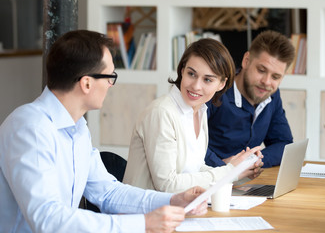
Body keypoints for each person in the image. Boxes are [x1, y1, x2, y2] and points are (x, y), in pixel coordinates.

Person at [0, 30, 208, 233]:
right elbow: (48, 219)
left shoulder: (78, 128)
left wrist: (174, 200)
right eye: (110, 77)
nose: (111, 85)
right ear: (87, 83)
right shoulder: (30, 129)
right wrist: (143, 224)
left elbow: (108, 192)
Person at [123, 38, 263, 194]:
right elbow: (167, 184)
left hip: (181, 207)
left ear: (222, 84)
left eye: (208, 79)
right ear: (182, 70)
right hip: (146, 212)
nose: (196, 86)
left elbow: (195, 169)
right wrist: (229, 172)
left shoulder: (199, 111)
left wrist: (240, 171)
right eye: (191, 74)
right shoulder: (161, 113)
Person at [205, 30, 295, 168]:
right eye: (261, 70)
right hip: (208, 181)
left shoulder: (272, 95)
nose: (266, 81)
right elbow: (190, 145)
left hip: (245, 182)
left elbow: (284, 144)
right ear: (246, 61)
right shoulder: (215, 90)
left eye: (275, 77)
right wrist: (226, 168)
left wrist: (253, 161)